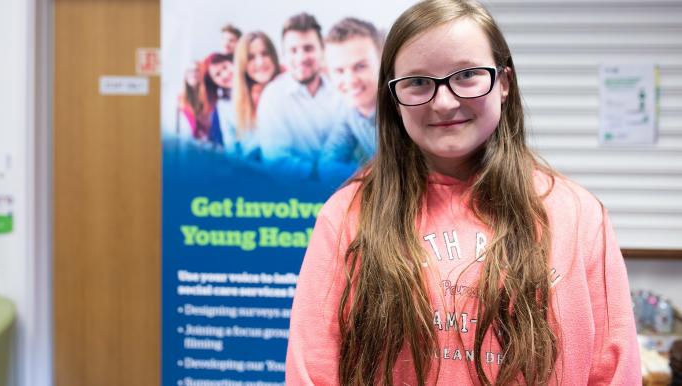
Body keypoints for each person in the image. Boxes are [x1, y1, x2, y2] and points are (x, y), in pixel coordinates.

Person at [286, 1, 641, 385]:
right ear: (393, 97)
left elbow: (613, 371)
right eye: (418, 82)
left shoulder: (578, 216)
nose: (444, 102)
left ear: (504, 83)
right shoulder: (347, 216)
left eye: (467, 75)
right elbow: (313, 371)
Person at [256, 12, 345, 180]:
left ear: (322, 51)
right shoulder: (272, 96)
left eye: (308, 48)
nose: (301, 57)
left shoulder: (341, 88)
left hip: (346, 192)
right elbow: (277, 161)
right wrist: (321, 174)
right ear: (284, 55)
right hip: (295, 198)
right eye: (293, 50)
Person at [319, 17, 383, 179]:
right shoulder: (350, 111)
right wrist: (366, 175)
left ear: (383, 63)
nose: (350, 80)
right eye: (339, 71)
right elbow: (327, 164)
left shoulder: (405, 108)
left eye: (360, 66)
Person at [223, 31, 281, 161]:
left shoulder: (291, 91)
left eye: (265, 54)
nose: (260, 62)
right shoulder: (230, 108)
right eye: (251, 57)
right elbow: (232, 155)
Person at [196, 52, 233, 147]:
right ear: (214, 83)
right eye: (218, 74)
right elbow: (230, 141)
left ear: (232, 63)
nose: (225, 75)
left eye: (225, 67)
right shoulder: (223, 104)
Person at [176, 61, 202, 138]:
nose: (193, 74)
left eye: (197, 70)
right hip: (191, 142)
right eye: (189, 71)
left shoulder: (210, 97)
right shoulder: (180, 99)